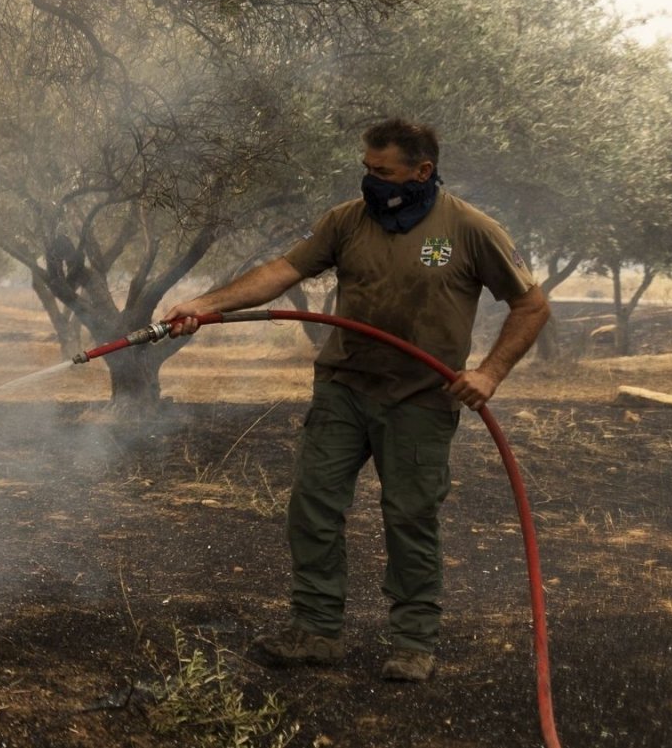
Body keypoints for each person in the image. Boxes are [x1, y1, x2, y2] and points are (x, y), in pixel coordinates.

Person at [158, 118, 550, 683]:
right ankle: (316, 632)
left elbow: (531, 306)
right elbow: (283, 271)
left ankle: (413, 642)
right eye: (366, 169)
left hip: (420, 397)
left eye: (383, 171)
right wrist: (206, 302)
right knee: (312, 507)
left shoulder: (468, 229)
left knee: (410, 518)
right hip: (344, 385)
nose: (370, 180)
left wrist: (489, 373)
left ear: (423, 171)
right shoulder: (347, 220)